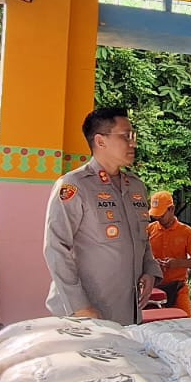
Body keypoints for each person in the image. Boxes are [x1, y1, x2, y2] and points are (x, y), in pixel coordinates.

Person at [43, 107, 159, 324]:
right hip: (83, 314)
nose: (133, 143)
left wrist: (150, 271)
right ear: (100, 141)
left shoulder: (135, 186)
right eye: (126, 136)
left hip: (127, 311)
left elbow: (142, 237)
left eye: (133, 136)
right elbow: (56, 248)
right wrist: (80, 306)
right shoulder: (74, 185)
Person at [147, 192, 191, 315]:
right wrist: (153, 263)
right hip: (153, 289)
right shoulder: (149, 230)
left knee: (186, 324)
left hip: (178, 288)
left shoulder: (186, 232)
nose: (158, 218)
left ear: (172, 209)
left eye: (161, 214)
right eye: (155, 215)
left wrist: (177, 263)